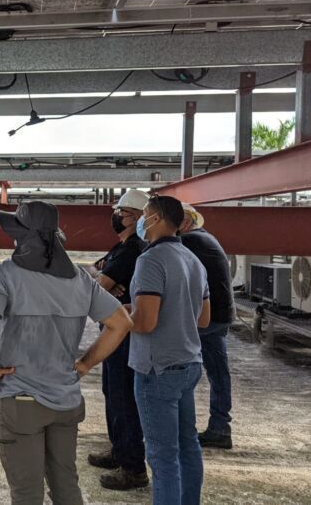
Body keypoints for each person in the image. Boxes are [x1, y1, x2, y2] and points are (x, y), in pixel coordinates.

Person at [0, 201, 133, 505]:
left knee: (27, 494)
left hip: (23, 403)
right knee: (66, 485)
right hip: (66, 401)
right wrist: (84, 364)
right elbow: (121, 323)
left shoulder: (5, 275)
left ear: (23, 238)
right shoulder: (81, 280)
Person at [129, 195, 210, 505]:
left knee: (162, 458)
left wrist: (121, 317)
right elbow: (203, 318)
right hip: (188, 362)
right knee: (187, 446)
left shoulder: (150, 260)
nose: (141, 220)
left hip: (157, 369)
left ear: (157, 219)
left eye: (144, 215)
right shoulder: (193, 261)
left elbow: (146, 323)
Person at [88, 189, 149, 490]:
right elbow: (97, 276)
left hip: (121, 333)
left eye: (122, 212)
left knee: (123, 396)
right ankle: (119, 451)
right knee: (112, 393)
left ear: (136, 217)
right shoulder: (120, 247)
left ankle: (133, 467)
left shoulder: (132, 249)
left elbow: (98, 286)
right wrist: (101, 284)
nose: (116, 216)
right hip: (113, 326)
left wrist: (102, 286)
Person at [180, 203, 235, 450]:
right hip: (219, 315)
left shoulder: (190, 241)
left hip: (209, 318)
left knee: (181, 368)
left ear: (185, 222)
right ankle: (220, 427)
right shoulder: (205, 238)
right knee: (218, 373)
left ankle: (198, 426)